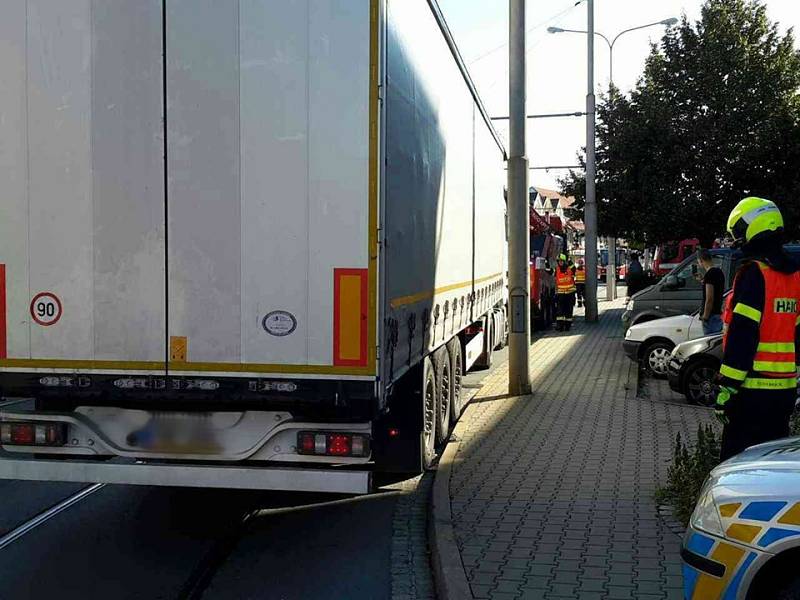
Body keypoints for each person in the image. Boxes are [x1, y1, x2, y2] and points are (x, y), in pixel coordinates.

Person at [716, 197, 800, 461]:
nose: (737, 240)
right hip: (784, 392)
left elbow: (744, 334)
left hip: (751, 392)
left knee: (736, 465)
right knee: (773, 462)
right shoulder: (794, 276)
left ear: (754, 228)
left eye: (739, 232)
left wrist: (728, 387)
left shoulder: (755, 274)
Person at [698, 249, 724, 335]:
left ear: (701, 260)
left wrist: (705, 316)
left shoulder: (709, 274)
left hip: (711, 316)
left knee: (710, 344)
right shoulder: (719, 272)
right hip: (718, 313)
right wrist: (703, 281)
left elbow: (709, 298)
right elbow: (717, 289)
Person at [555, 254, 576, 331]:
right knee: (560, 311)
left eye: (561, 261)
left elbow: (574, 268)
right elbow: (550, 271)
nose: (560, 262)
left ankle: (567, 326)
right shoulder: (557, 270)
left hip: (570, 294)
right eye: (559, 261)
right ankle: (560, 326)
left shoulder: (570, 269)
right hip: (560, 294)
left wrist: (569, 260)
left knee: (568, 311)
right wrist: (546, 263)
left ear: (564, 261)